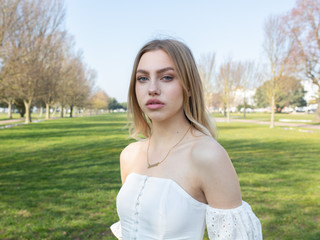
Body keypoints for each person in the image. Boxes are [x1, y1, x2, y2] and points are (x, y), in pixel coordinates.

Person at [110, 39, 262, 240]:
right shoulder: (129, 155)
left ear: (188, 86)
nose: (152, 88)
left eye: (166, 77)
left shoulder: (207, 155)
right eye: (143, 78)